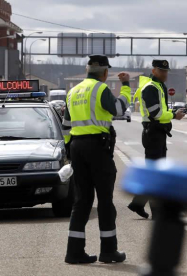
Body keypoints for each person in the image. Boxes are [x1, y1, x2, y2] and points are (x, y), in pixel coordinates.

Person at [62, 55, 131, 264]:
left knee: (81, 201)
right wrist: (126, 86)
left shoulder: (73, 92)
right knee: (105, 201)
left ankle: (74, 252)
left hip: (77, 147)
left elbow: (66, 126)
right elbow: (119, 109)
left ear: (87, 70)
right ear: (105, 72)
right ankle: (108, 251)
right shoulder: (100, 89)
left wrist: (69, 151)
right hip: (97, 148)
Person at [127, 60, 185, 219]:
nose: (165, 74)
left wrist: (172, 113)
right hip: (153, 133)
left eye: (166, 71)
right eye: (162, 70)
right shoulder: (150, 88)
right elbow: (156, 113)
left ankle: (138, 203)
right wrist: (174, 115)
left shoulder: (159, 86)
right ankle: (156, 212)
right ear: (154, 70)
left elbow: (161, 111)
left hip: (158, 133)